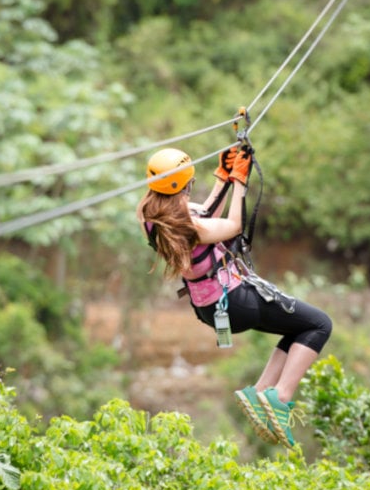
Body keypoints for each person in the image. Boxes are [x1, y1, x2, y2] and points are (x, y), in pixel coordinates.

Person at [136, 146, 332, 448]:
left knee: (297, 328)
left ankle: (262, 391)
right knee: (319, 325)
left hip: (208, 306)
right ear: (186, 184)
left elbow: (203, 218)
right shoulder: (188, 223)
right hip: (233, 300)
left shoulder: (151, 216)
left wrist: (223, 176)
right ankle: (280, 397)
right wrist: (240, 182)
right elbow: (230, 226)